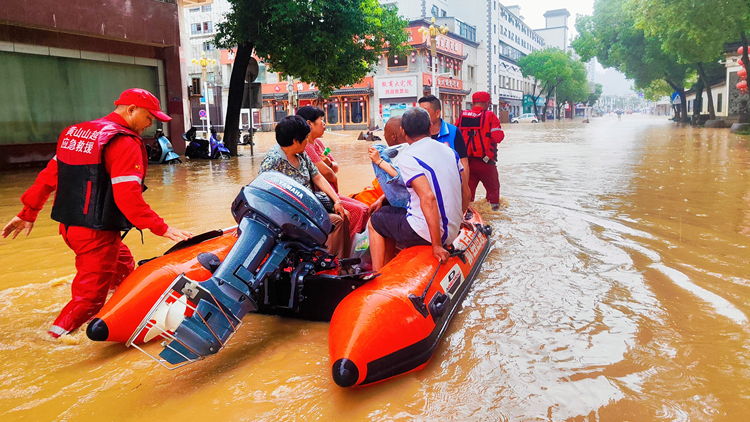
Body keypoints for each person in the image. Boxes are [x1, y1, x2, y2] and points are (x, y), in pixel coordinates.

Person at [1, 88, 194, 339]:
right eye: (149, 117)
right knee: (89, 299)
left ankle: (118, 304)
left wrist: (28, 212)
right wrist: (162, 228)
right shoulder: (124, 142)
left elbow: (49, 176)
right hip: (95, 234)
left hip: (70, 227)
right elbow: (128, 196)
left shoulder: (78, 133)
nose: (150, 124)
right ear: (131, 110)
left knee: (123, 263)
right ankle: (52, 339)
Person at [367, 108, 466, 271]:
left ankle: (377, 274)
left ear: (402, 131)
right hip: (452, 229)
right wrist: (458, 222)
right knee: (386, 215)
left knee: (375, 221)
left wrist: (437, 245)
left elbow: (428, 198)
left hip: (428, 232)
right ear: (429, 127)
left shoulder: (409, 156)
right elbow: (466, 192)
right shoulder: (450, 152)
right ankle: (389, 265)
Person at [258, 115, 350, 258]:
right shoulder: (272, 162)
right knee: (336, 221)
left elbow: (317, 177)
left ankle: (343, 264)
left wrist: (337, 201)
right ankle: (328, 266)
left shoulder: (301, 155)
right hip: (290, 217)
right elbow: (261, 193)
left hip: (310, 210)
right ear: (295, 141)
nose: (308, 141)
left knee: (344, 214)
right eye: (306, 137)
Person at [296, 106, 368, 236]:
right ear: (309, 124)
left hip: (333, 193)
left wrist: (329, 164)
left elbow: (334, 167)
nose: (324, 124)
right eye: (321, 120)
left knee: (365, 208)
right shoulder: (306, 146)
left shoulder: (318, 143)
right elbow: (327, 174)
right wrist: (333, 175)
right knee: (359, 210)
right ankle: (348, 244)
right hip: (322, 197)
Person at [418, 95, 471, 212]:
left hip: (450, 188)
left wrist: (464, 189)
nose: (421, 116)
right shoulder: (416, 134)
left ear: (437, 113)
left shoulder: (454, 132)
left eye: (425, 112)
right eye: (420, 112)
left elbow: (464, 162)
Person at [455, 91, 505, 211]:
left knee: (468, 192)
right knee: (493, 189)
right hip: (486, 162)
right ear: (487, 103)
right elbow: (498, 137)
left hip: (466, 163)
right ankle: (493, 214)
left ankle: (468, 215)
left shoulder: (462, 117)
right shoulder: (490, 116)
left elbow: (455, 137)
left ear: (473, 103)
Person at [352, 116, 408, 208]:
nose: (384, 137)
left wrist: (379, 161)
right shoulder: (413, 151)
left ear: (393, 136)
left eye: (385, 134)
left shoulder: (386, 157)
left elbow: (399, 180)